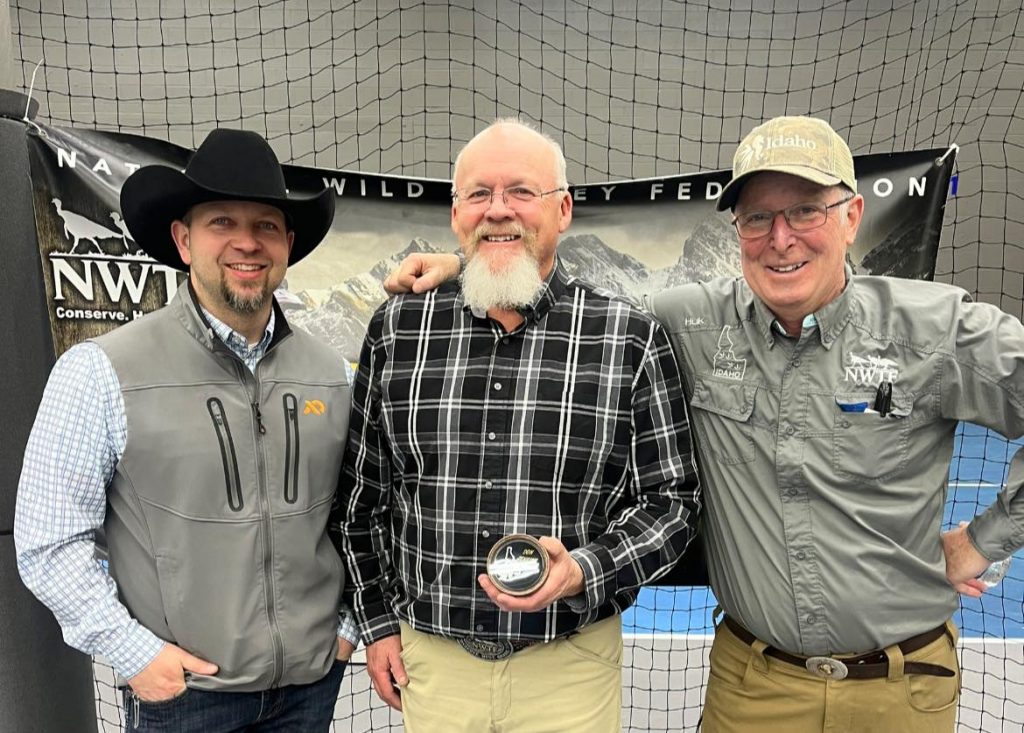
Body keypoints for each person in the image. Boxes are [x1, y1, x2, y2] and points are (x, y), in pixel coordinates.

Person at [383, 115, 1024, 733]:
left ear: (851, 216)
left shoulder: (936, 330)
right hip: (753, 687)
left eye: (806, 210)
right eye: (757, 218)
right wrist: (476, 263)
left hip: (902, 687)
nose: (781, 238)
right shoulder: (687, 322)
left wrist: (984, 538)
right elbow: (568, 309)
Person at [330, 118, 702, 733]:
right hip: (433, 665)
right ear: (456, 215)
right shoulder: (397, 331)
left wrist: (586, 569)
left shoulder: (628, 338)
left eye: (521, 192)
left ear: (562, 211)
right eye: (479, 194)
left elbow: (674, 504)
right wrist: (375, 626)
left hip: (570, 665)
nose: (498, 211)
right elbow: (361, 501)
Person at [15, 129, 358, 732]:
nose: (246, 243)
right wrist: (134, 653)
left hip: (309, 690)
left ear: (288, 245)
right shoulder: (102, 371)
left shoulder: (329, 374)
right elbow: (49, 540)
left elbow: (354, 517)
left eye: (266, 226)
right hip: (185, 699)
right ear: (183, 239)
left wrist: (347, 631)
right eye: (221, 222)